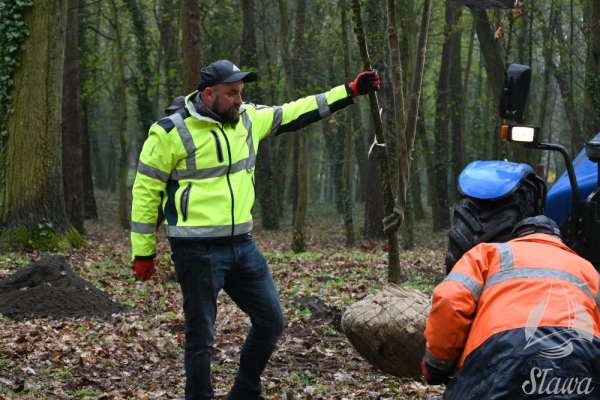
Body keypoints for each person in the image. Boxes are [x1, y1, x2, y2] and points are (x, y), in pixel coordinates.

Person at [130, 59, 380, 400]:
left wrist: (350, 91)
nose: (239, 100)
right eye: (232, 93)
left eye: (241, 93)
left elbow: (297, 111)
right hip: (196, 251)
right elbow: (145, 193)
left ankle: (245, 391)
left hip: (242, 246)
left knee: (271, 321)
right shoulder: (171, 132)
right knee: (200, 337)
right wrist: (143, 252)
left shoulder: (248, 118)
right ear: (208, 94)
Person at [422, 215, 600, 399]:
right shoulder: (588, 269)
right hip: (583, 357)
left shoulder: (488, 253)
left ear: (517, 238)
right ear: (558, 240)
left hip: (500, 353)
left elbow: (451, 299)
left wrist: (437, 364)